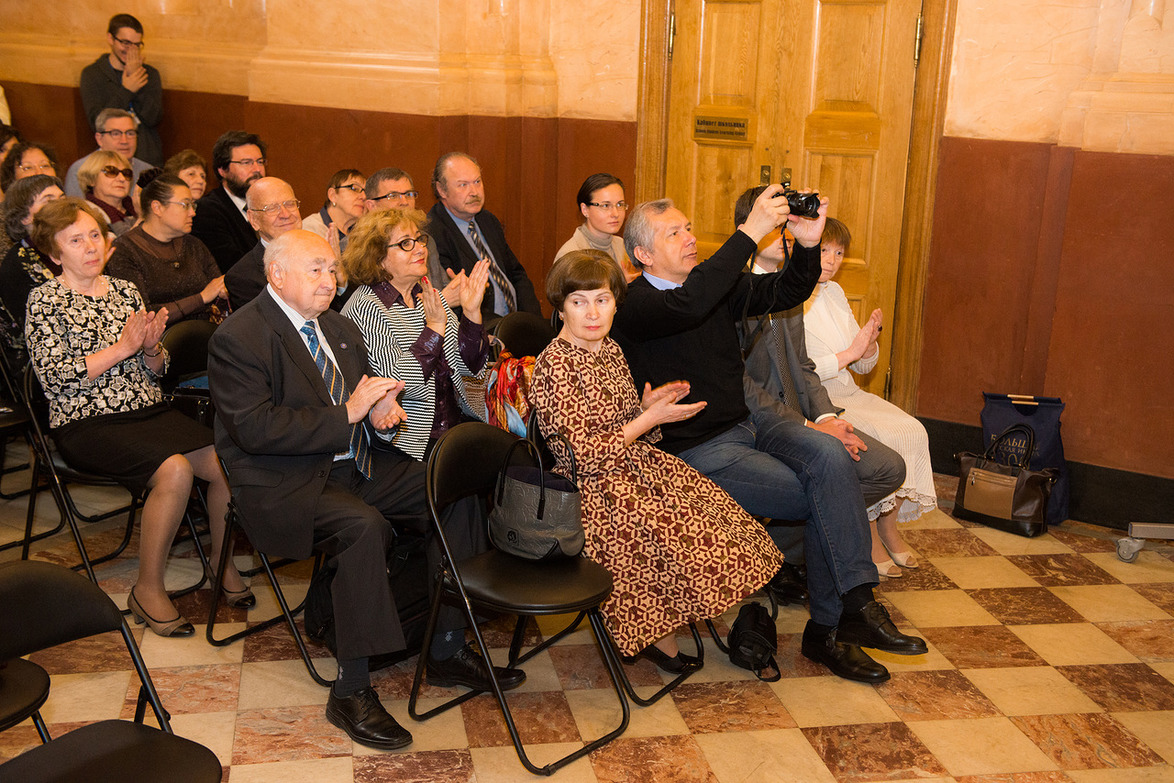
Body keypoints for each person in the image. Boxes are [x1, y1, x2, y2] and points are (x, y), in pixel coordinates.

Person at [207, 229, 524, 751]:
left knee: (453, 488)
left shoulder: (335, 325)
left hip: (356, 464)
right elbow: (254, 429)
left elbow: (362, 398)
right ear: (277, 275)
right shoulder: (239, 336)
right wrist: (349, 414)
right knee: (362, 528)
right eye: (315, 270)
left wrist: (378, 411)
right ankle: (350, 689)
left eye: (332, 269)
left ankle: (446, 645)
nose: (329, 280)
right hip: (283, 481)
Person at [611, 190, 927, 684]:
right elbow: (690, 305)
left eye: (689, 227)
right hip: (700, 449)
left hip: (751, 424)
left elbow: (789, 290)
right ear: (643, 254)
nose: (690, 237)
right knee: (825, 491)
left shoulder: (708, 285)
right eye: (674, 233)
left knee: (830, 459)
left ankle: (855, 607)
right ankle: (833, 628)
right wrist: (750, 231)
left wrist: (808, 244)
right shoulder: (637, 305)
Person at [530, 250, 782, 670]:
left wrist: (645, 408)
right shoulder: (555, 364)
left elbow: (621, 423)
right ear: (560, 308)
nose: (592, 313)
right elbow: (581, 456)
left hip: (631, 467)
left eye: (602, 300)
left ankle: (662, 625)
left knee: (717, 524)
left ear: (615, 304)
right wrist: (647, 420)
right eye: (579, 302)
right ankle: (651, 632)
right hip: (589, 491)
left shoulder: (610, 349)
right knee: (674, 533)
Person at [24, 198, 250, 639]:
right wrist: (123, 349)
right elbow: (56, 378)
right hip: (86, 420)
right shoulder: (45, 300)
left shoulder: (124, 290)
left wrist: (148, 349)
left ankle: (222, 562)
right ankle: (147, 589)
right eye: (76, 240)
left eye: (94, 235)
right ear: (54, 253)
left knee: (227, 459)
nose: (91, 246)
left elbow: (157, 370)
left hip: (147, 409)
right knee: (175, 469)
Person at [735, 187, 907, 583]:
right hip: (760, 424)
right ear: (750, 228)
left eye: (790, 225)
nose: (787, 234)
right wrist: (810, 427)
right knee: (829, 475)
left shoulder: (789, 289)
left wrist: (827, 416)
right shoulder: (731, 292)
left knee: (887, 468)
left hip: (805, 416)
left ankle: (775, 550)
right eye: (777, 225)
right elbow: (741, 386)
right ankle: (784, 561)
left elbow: (804, 367)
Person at [804, 217, 936, 572]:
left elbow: (861, 365)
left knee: (913, 430)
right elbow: (800, 370)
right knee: (881, 438)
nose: (831, 260)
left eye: (838, 253)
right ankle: (871, 534)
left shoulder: (834, 293)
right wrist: (850, 353)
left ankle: (889, 526)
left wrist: (869, 344)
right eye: (824, 250)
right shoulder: (791, 297)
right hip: (818, 399)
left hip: (848, 389)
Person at [340, 209, 490, 459]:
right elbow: (401, 385)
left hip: (457, 427)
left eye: (419, 239)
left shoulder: (426, 294)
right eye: (405, 243)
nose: (420, 249)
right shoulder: (366, 308)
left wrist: (472, 312)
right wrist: (434, 328)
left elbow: (471, 368)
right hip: (408, 442)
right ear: (378, 258)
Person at [426, 152, 541, 322]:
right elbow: (458, 302)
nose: (474, 192)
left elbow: (516, 274)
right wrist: (503, 329)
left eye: (477, 182)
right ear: (442, 190)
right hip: (482, 326)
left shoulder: (487, 220)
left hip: (515, 324)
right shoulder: (432, 234)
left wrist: (533, 322)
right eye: (463, 185)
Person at [106, 170, 227, 324]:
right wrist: (201, 298)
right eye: (185, 205)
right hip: (159, 337)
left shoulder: (193, 245)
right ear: (157, 207)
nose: (192, 213)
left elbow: (217, 288)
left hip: (206, 332)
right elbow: (141, 315)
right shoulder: (124, 250)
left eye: (193, 205)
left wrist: (224, 291)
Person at [79, 14, 164, 166]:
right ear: (110, 39)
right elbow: (96, 122)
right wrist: (126, 91)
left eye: (137, 44)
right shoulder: (92, 74)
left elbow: (153, 118)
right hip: (110, 159)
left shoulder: (150, 74)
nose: (131, 49)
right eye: (125, 43)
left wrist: (136, 84)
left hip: (147, 157)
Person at [0, 175, 64, 355]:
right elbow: (42, 330)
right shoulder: (18, 264)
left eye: (62, 198)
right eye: (49, 200)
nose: (62, 206)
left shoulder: (76, 246)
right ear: (25, 217)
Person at [191, 131, 267, 273]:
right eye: (246, 163)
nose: (257, 169)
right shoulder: (208, 211)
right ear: (222, 170)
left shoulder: (268, 203)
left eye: (260, 162)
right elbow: (234, 268)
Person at [223, 177, 304, 310]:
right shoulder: (243, 277)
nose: (285, 214)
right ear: (254, 219)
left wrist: (339, 283)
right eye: (272, 208)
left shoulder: (321, 255)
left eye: (290, 204)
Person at [365, 167, 449, 295]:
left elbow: (441, 287)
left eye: (409, 194)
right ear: (372, 206)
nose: (404, 202)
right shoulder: (361, 247)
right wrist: (444, 300)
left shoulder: (424, 240)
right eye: (393, 196)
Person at [555, 173, 637, 281]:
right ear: (585, 209)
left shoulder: (622, 246)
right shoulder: (570, 255)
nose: (615, 213)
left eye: (619, 205)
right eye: (606, 205)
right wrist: (623, 286)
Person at [64, 108, 152, 198]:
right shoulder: (81, 169)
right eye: (116, 134)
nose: (124, 141)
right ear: (99, 139)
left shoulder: (147, 171)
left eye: (130, 133)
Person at [302, 169, 366, 254]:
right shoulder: (310, 230)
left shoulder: (362, 233)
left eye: (366, 192)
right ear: (332, 195)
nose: (363, 197)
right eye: (354, 188)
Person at [77, 150, 137, 237]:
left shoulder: (139, 209)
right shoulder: (86, 215)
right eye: (111, 172)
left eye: (126, 173)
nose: (122, 179)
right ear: (92, 179)